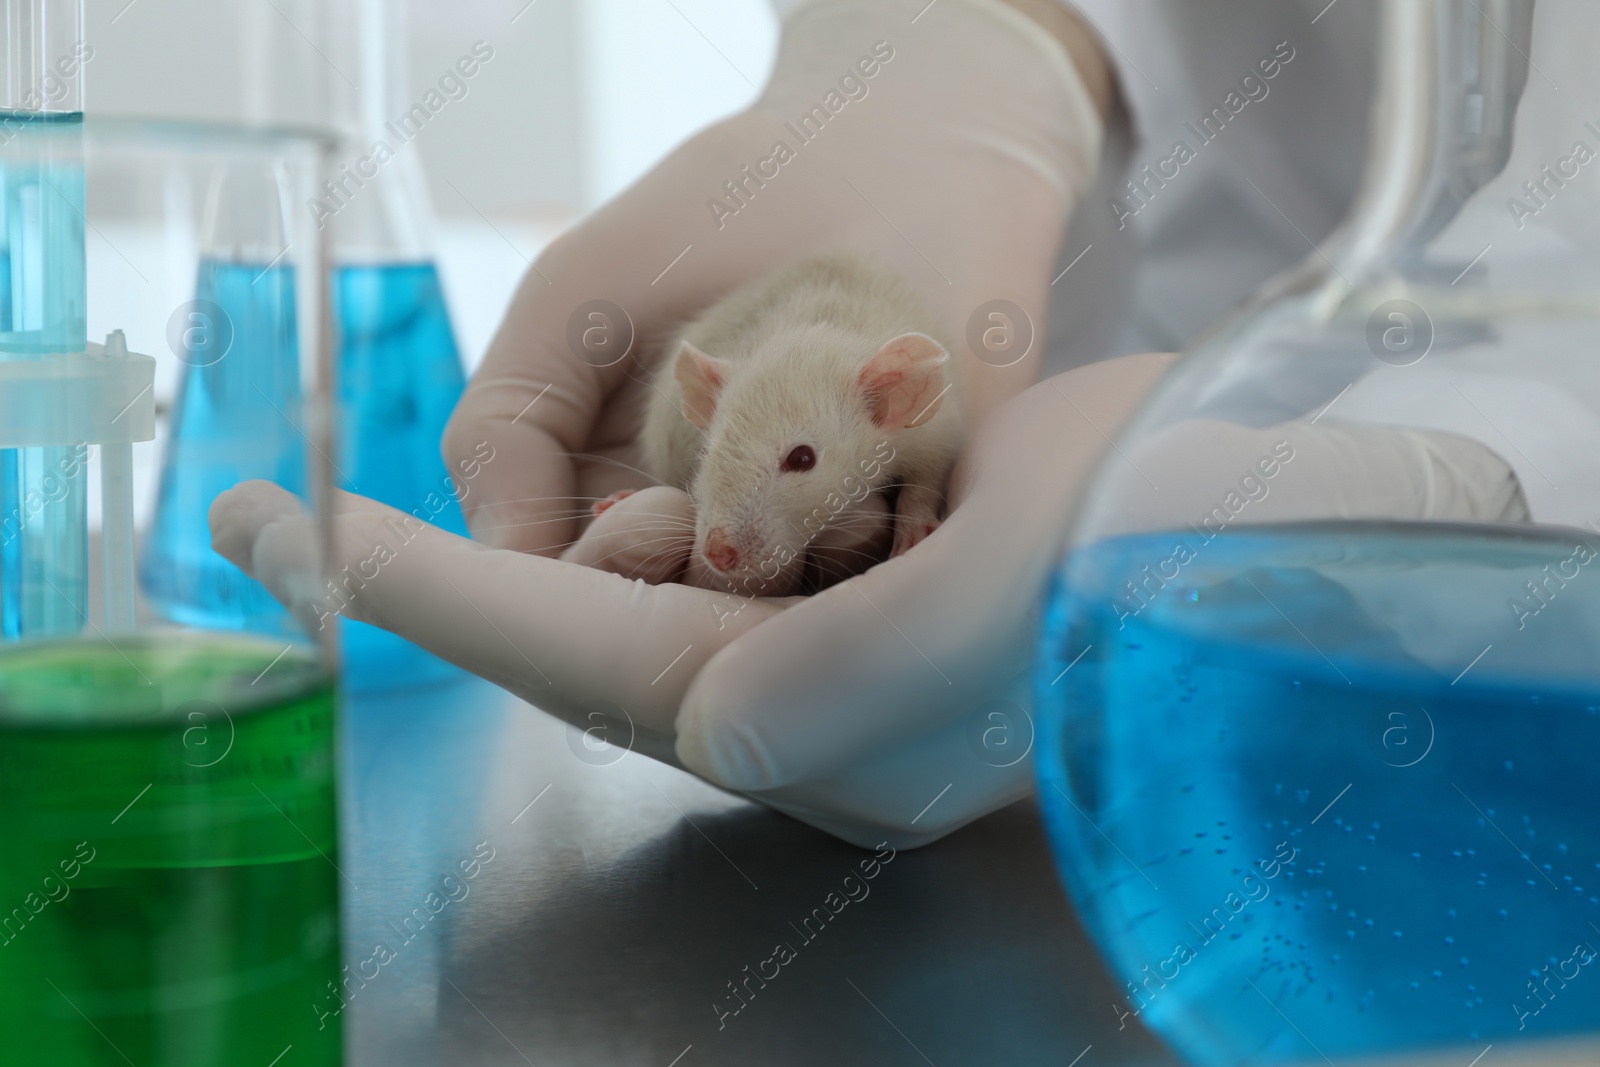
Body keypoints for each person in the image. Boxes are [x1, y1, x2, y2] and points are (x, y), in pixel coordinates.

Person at [212, 0, 1542, 848]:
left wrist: (1504, 451)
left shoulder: (894, 406)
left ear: (892, 402)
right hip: (1126, 323)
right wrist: (979, 37)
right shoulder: (773, 406)